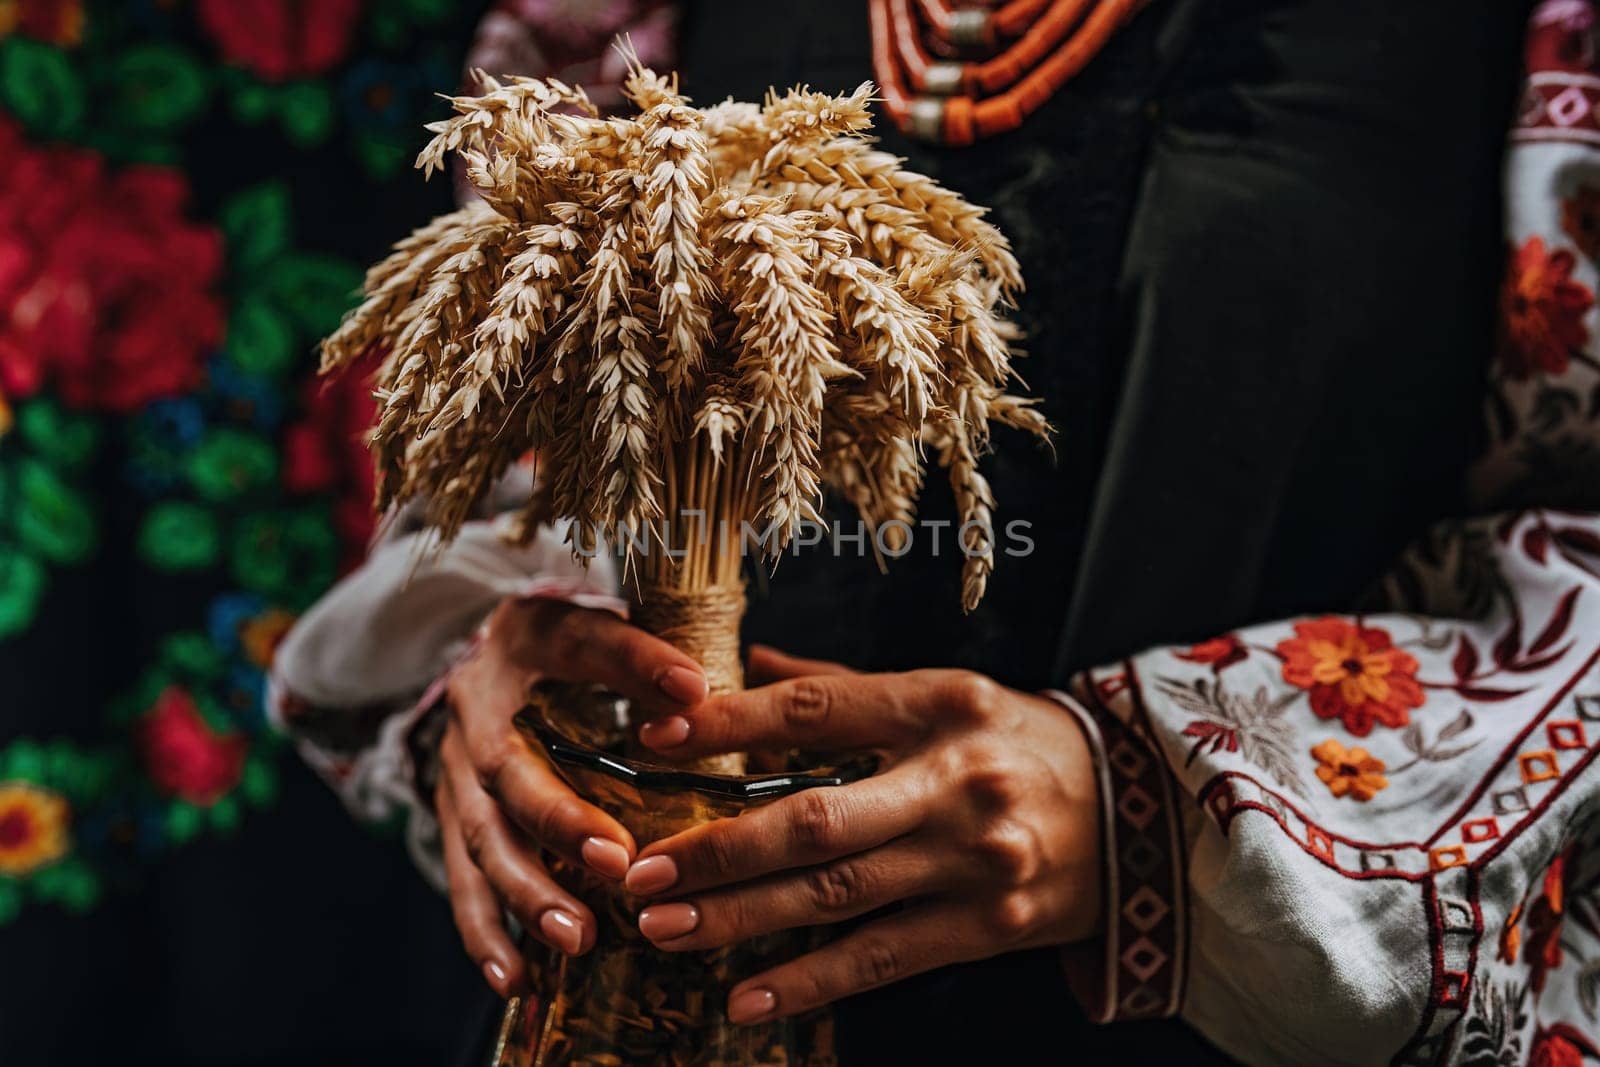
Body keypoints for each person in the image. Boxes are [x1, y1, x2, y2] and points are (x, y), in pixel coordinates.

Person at [272, 0, 1600, 1062]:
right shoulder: (630, 25)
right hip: (673, 988)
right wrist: (506, 672)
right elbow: (539, 444)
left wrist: (1153, 805)